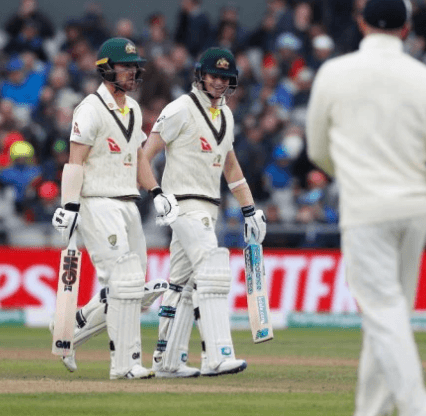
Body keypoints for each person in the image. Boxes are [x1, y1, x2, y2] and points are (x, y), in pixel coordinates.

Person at [305, 1, 426, 415]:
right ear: (406, 28)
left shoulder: (334, 73)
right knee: (390, 317)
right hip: (414, 210)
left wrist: (353, 175)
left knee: (383, 314)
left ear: (361, 23)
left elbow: (317, 150)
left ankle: (418, 409)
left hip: (365, 210)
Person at [51, 37, 178, 380]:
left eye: (135, 67)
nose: (132, 72)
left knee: (133, 288)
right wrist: (69, 206)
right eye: (125, 66)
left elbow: (137, 157)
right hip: (97, 202)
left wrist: (156, 191)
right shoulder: (89, 109)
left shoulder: (133, 109)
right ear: (106, 69)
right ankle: (124, 364)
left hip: (128, 203)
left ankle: (71, 329)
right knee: (124, 284)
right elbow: (75, 161)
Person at [143, 47, 267, 378]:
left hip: (210, 207)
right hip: (182, 204)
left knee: (181, 284)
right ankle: (217, 355)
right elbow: (145, 154)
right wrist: (156, 193)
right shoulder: (180, 109)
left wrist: (249, 209)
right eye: (214, 75)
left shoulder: (226, 116)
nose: (220, 82)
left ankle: (167, 362)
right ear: (200, 75)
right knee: (212, 267)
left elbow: (231, 166)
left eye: (226, 77)